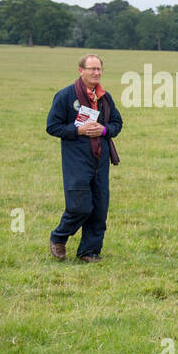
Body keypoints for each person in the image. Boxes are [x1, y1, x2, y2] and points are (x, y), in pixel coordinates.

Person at [46, 54, 123, 262]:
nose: (96, 73)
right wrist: (79, 131)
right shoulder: (65, 96)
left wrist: (104, 129)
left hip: (100, 159)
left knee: (99, 208)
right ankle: (59, 237)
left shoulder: (105, 98)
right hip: (76, 160)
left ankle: (89, 251)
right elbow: (52, 127)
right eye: (92, 69)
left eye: (99, 69)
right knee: (80, 206)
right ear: (81, 70)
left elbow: (117, 123)